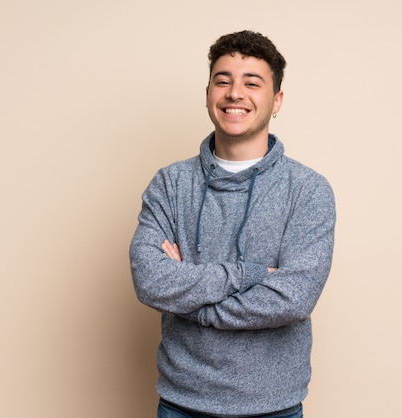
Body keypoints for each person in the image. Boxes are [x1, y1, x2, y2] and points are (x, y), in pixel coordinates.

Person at [130, 30, 336, 418]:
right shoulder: (170, 184)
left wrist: (190, 298)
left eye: (251, 83)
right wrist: (252, 274)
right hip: (181, 404)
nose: (234, 93)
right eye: (222, 81)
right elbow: (150, 280)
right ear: (208, 93)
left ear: (276, 101)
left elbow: (293, 298)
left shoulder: (308, 191)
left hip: (274, 408)